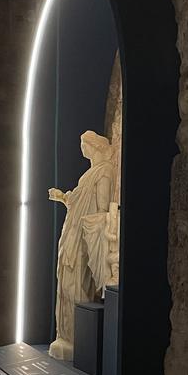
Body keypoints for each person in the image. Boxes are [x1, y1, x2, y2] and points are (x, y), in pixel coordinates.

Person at [48, 131, 118, 360]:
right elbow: (79, 202)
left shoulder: (104, 171)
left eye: (84, 145)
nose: (82, 149)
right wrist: (63, 198)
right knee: (66, 279)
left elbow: (100, 209)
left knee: (75, 281)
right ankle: (65, 334)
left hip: (83, 236)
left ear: (94, 146)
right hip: (73, 230)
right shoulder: (91, 172)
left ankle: (76, 336)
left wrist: (97, 241)